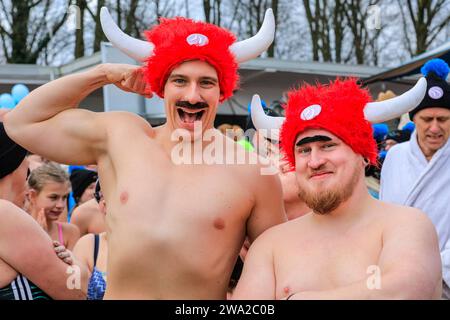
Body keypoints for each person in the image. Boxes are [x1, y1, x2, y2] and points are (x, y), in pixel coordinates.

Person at [4, 8, 286, 299]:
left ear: (221, 91)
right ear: (162, 86)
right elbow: (20, 123)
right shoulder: (121, 136)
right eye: (179, 81)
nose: (192, 96)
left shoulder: (251, 171)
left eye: (206, 83)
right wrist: (102, 74)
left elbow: (276, 269)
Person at [233, 77, 442, 299]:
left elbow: (405, 289)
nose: (314, 161)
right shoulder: (270, 245)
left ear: (363, 154)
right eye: (304, 150)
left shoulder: (406, 225)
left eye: (328, 145)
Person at [380, 58, 450, 299]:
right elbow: (383, 215)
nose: (434, 128)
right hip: (395, 275)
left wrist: (426, 269)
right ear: (413, 120)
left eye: (443, 119)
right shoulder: (395, 157)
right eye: (426, 119)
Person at [0, 123, 87, 300]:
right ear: (13, 167)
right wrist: (76, 262)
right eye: (26, 161)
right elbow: (76, 291)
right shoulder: (4, 213)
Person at [27, 163, 80, 250]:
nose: (61, 205)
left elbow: (74, 263)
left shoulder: (70, 232)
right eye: (53, 197)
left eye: (64, 197)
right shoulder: (19, 230)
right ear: (32, 195)